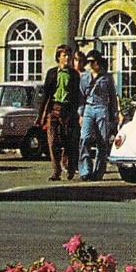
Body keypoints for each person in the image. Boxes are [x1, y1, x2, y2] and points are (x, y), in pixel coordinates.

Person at [36, 44, 83, 181]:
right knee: (52, 141)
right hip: (54, 109)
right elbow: (46, 95)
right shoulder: (52, 73)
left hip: (68, 110)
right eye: (64, 55)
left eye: (68, 55)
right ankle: (56, 171)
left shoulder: (74, 74)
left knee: (69, 140)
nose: (67, 58)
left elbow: (76, 95)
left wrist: (77, 113)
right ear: (58, 57)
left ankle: (69, 167)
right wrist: (41, 115)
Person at [78, 51, 118, 181]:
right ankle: (85, 170)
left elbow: (112, 97)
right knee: (85, 138)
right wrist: (81, 114)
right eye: (89, 62)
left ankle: (99, 171)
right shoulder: (84, 77)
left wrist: (114, 115)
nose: (90, 64)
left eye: (93, 61)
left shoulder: (107, 77)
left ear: (98, 62)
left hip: (102, 108)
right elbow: (81, 96)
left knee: (102, 141)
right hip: (88, 108)